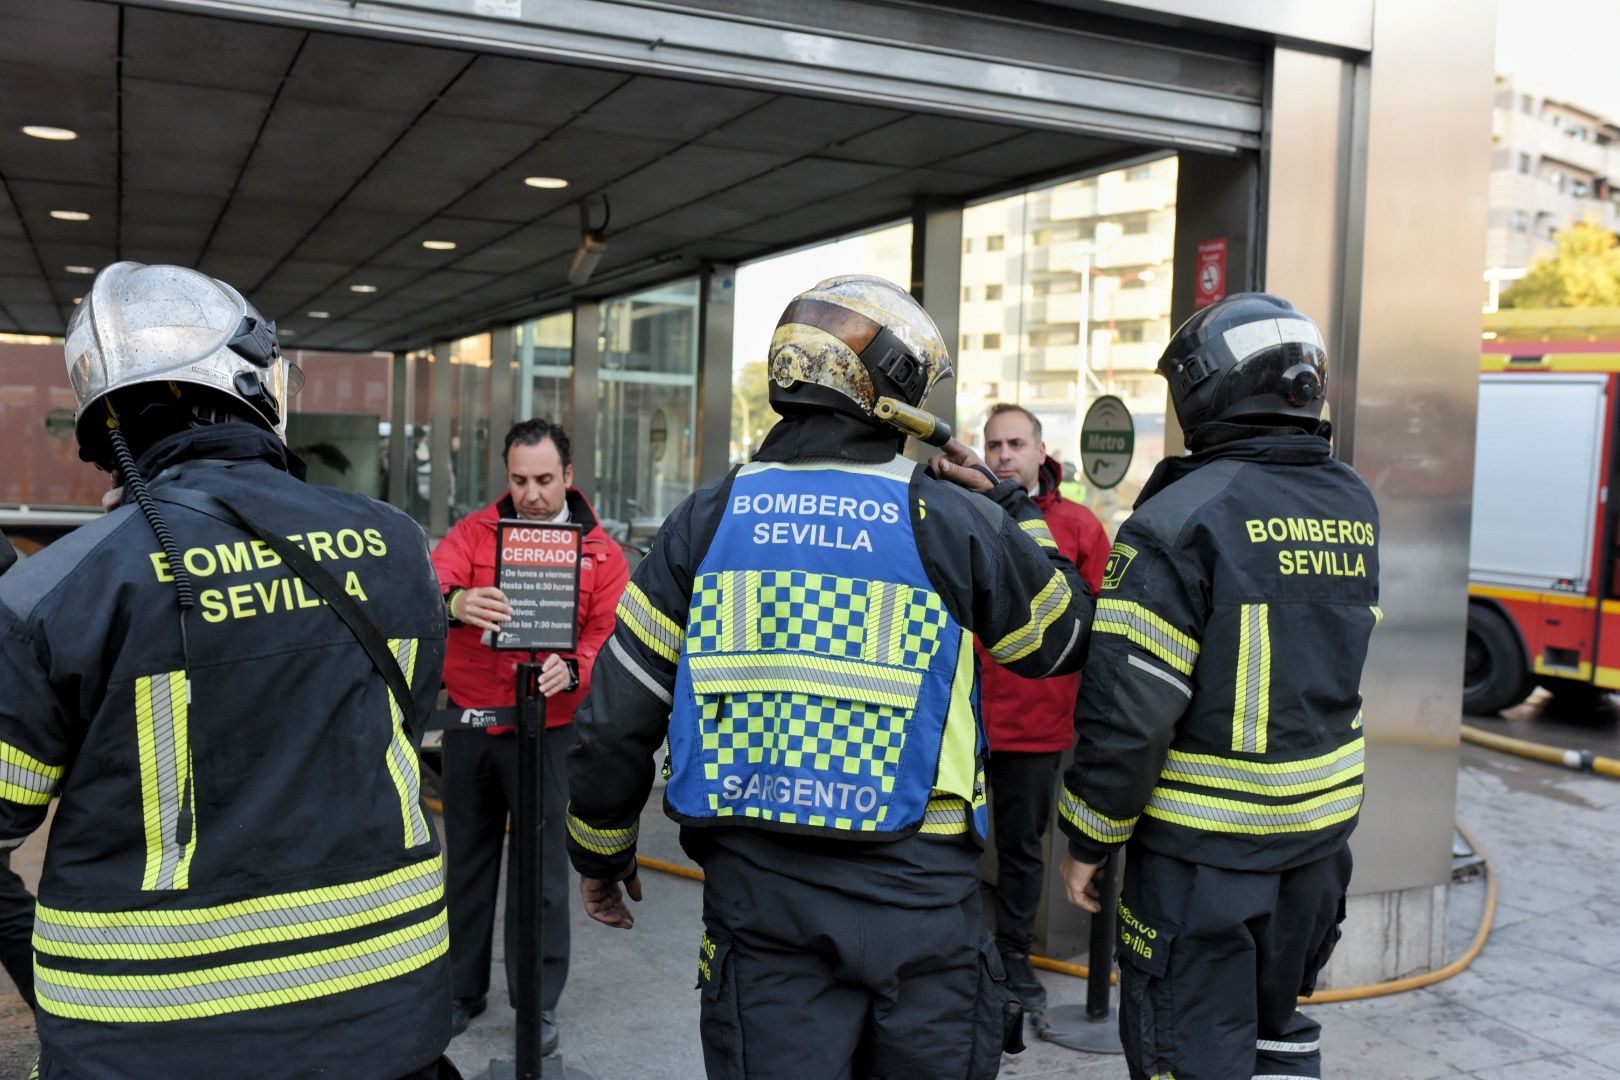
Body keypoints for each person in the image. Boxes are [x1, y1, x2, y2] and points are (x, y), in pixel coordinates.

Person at [565, 274, 1095, 1080]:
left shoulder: (707, 520)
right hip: (921, 907)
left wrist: (600, 854)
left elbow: (614, 717)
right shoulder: (943, 518)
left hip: (763, 903)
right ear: (897, 388)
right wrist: (1015, 509)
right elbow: (1058, 643)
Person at [0, 262, 456, 1079]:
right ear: (250, 384)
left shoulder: (53, 593)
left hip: (143, 1045)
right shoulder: (397, 546)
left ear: (106, 429)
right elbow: (403, 714)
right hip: (385, 1021)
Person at [1056, 293, 1380, 1080]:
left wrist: (1090, 837)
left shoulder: (1181, 519)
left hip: (1205, 869)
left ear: (1208, 392)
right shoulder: (1351, 502)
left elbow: (1131, 711)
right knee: (1277, 1043)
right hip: (1317, 857)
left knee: (1189, 1056)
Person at [431, 419, 629, 1058]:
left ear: (568, 477)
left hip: (551, 731)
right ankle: (460, 993)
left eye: (545, 479)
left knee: (541, 876)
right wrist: (457, 603)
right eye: (520, 480)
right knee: (466, 862)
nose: (532, 493)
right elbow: (427, 586)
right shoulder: (474, 533)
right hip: (473, 725)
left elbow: (610, 637)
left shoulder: (602, 554)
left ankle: (536, 1004)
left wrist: (574, 667)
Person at [976, 403, 1111, 1013]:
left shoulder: (1080, 526)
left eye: (1015, 443)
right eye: (994, 444)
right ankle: (957, 956)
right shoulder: (965, 512)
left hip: (1037, 724)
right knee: (949, 844)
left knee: (1023, 850)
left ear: (1039, 451)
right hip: (963, 721)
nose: (1004, 454)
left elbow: (1106, 628)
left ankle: (1013, 960)